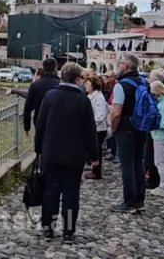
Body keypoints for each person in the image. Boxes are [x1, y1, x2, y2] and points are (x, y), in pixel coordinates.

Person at [34, 62, 98, 243]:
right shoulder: (83, 100)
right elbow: (89, 130)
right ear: (77, 79)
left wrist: (38, 148)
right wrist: (94, 155)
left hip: (51, 152)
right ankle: (68, 231)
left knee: (50, 191)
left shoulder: (50, 96)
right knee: (71, 193)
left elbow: (40, 124)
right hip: (74, 155)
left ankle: (48, 227)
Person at [110, 53, 148, 213]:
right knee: (138, 163)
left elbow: (116, 112)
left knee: (126, 165)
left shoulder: (121, 85)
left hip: (125, 128)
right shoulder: (144, 82)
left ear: (126, 66)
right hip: (141, 127)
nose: (119, 65)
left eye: (121, 63)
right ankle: (139, 199)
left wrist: (113, 128)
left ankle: (129, 200)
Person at [23, 58, 59, 134]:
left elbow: (27, 108)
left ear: (44, 68)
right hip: (56, 123)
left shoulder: (35, 85)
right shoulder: (60, 85)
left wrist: (27, 127)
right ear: (55, 68)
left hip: (39, 122)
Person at [84, 74, 109, 180]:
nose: (85, 85)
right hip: (94, 128)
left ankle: (96, 172)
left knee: (97, 150)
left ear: (93, 85)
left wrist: (90, 124)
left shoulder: (98, 97)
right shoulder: (91, 96)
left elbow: (100, 116)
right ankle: (94, 167)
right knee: (94, 149)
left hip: (98, 129)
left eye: (88, 83)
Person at [103, 71, 118, 162]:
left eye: (108, 77)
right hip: (109, 109)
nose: (106, 79)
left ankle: (114, 152)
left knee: (113, 132)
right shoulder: (107, 86)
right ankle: (111, 150)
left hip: (114, 110)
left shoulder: (117, 86)